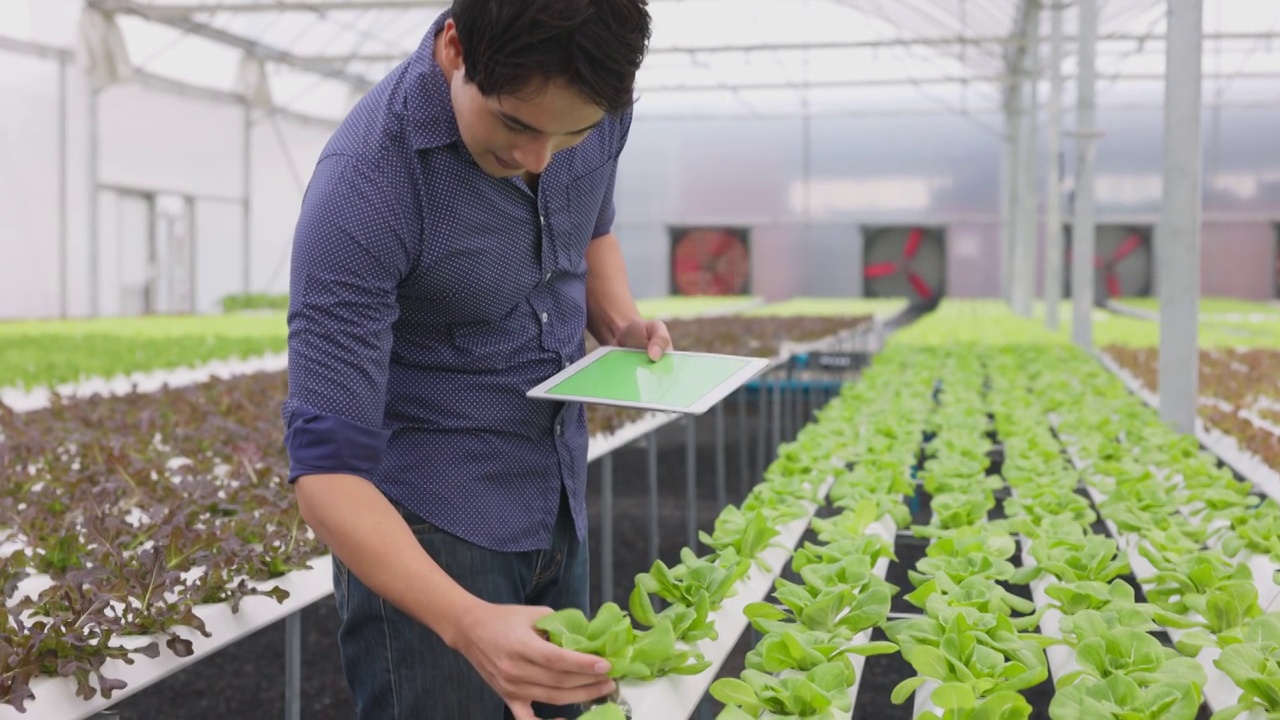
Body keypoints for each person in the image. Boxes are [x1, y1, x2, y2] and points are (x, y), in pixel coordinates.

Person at [279, 1, 670, 718]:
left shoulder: (599, 100)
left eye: (572, 134)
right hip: (432, 532)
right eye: (516, 125)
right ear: (455, 48)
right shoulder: (364, 189)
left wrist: (618, 320)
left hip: (556, 490)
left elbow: (592, 225)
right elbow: (327, 472)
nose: (539, 159)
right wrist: (466, 622)